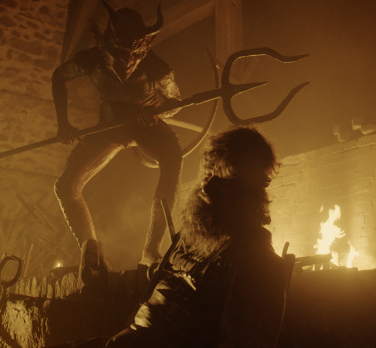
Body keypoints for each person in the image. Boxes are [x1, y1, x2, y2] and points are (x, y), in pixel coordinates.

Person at [105, 126, 290, 347]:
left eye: (223, 178)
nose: (208, 187)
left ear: (247, 193)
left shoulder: (256, 262)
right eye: (209, 171)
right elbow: (162, 284)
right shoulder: (195, 236)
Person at [52, 1, 183, 274]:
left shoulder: (158, 69)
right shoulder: (91, 61)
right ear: (106, 47)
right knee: (66, 188)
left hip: (146, 127)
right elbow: (59, 76)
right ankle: (92, 254)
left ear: (144, 50)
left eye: (135, 55)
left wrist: (156, 113)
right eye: (120, 54)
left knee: (173, 157)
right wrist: (63, 123)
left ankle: (151, 250)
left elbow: (176, 104)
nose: (127, 62)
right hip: (109, 127)